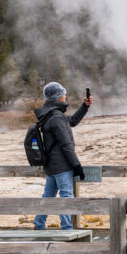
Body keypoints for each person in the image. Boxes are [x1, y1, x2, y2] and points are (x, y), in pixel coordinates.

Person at [33, 82, 91, 231]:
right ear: (58, 97)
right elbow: (66, 145)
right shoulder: (56, 117)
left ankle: (39, 225)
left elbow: (71, 121)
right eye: (64, 93)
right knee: (66, 196)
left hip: (51, 165)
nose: (66, 96)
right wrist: (77, 166)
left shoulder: (51, 114)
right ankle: (67, 229)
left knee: (48, 196)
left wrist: (84, 107)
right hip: (61, 165)